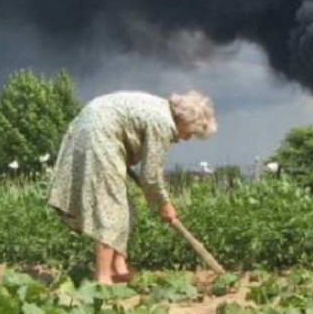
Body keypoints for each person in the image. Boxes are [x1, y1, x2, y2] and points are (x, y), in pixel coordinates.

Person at [47, 90, 217, 284]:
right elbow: (151, 176)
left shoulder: (162, 110)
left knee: (126, 206)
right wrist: (164, 204)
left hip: (97, 127)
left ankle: (118, 268)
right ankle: (103, 277)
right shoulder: (163, 123)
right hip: (99, 133)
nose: (187, 138)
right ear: (185, 121)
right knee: (110, 207)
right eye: (191, 133)